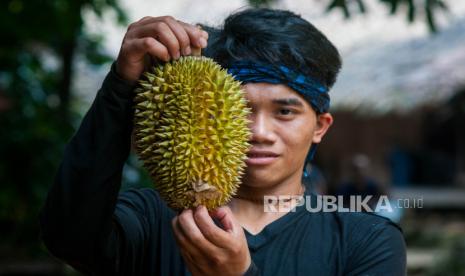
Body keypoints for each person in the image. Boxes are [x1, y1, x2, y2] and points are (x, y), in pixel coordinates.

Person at [39, 8, 406, 276]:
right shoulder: (149, 217)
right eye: (242, 109)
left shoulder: (367, 239)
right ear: (205, 112)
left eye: (285, 112)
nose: (260, 132)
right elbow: (68, 238)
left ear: (320, 127)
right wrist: (121, 86)